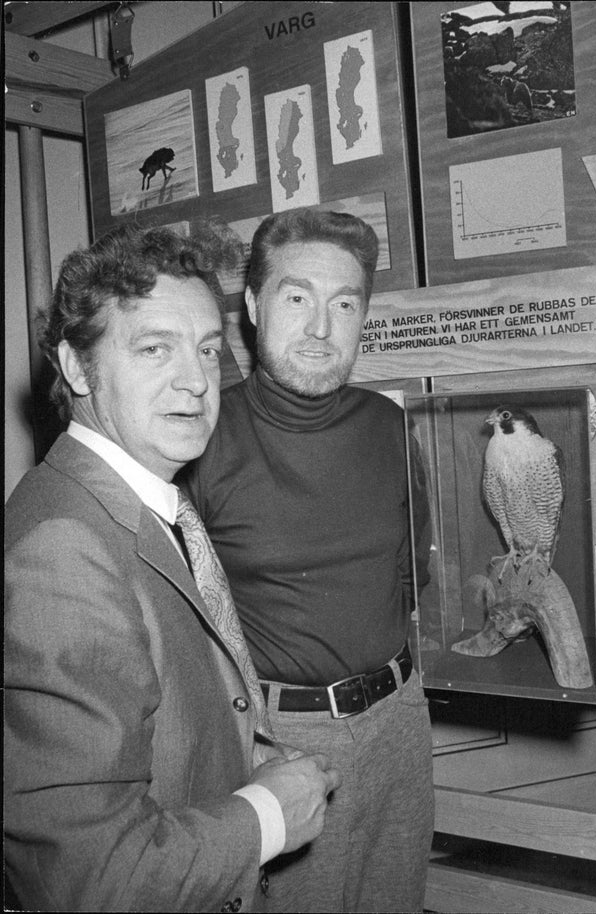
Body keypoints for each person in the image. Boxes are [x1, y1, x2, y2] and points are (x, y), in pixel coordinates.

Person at [4, 224, 342, 913]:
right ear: (76, 367)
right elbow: (87, 879)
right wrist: (266, 817)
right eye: (156, 348)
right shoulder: (62, 549)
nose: (196, 381)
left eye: (208, 350)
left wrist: (241, 760)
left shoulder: (149, 500)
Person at [181, 208, 434, 913]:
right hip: (278, 740)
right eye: (298, 298)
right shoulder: (203, 437)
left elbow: (417, 572)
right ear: (255, 307)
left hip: (399, 722)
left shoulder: (388, 426)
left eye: (344, 304)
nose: (322, 327)